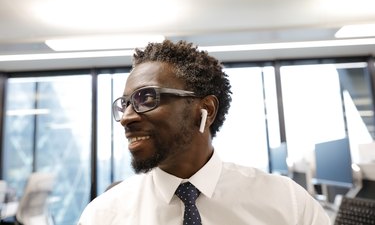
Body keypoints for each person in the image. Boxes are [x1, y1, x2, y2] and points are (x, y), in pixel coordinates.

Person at [77, 40, 330, 225]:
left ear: (205, 109)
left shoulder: (287, 202)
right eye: (125, 104)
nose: (127, 118)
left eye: (146, 98)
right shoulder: (103, 215)